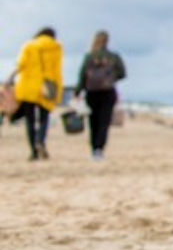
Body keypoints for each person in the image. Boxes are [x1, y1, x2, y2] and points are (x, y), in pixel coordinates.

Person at [8, 27, 65, 161]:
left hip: (28, 86)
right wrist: (58, 91)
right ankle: (40, 139)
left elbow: (20, 64)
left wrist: (10, 78)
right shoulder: (56, 47)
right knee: (44, 118)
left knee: (30, 120)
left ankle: (33, 151)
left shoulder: (29, 46)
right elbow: (57, 69)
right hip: (47, 86)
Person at [73, 29, 128, 161]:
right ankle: (99, 149)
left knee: (93, 121)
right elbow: (123, 73)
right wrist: (111, 78)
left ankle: (93, 148)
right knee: (104, 121)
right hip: (108, 91)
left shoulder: (89, 56)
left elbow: (82, 76)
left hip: (92, 91)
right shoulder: (113, 57)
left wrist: (77, 91)